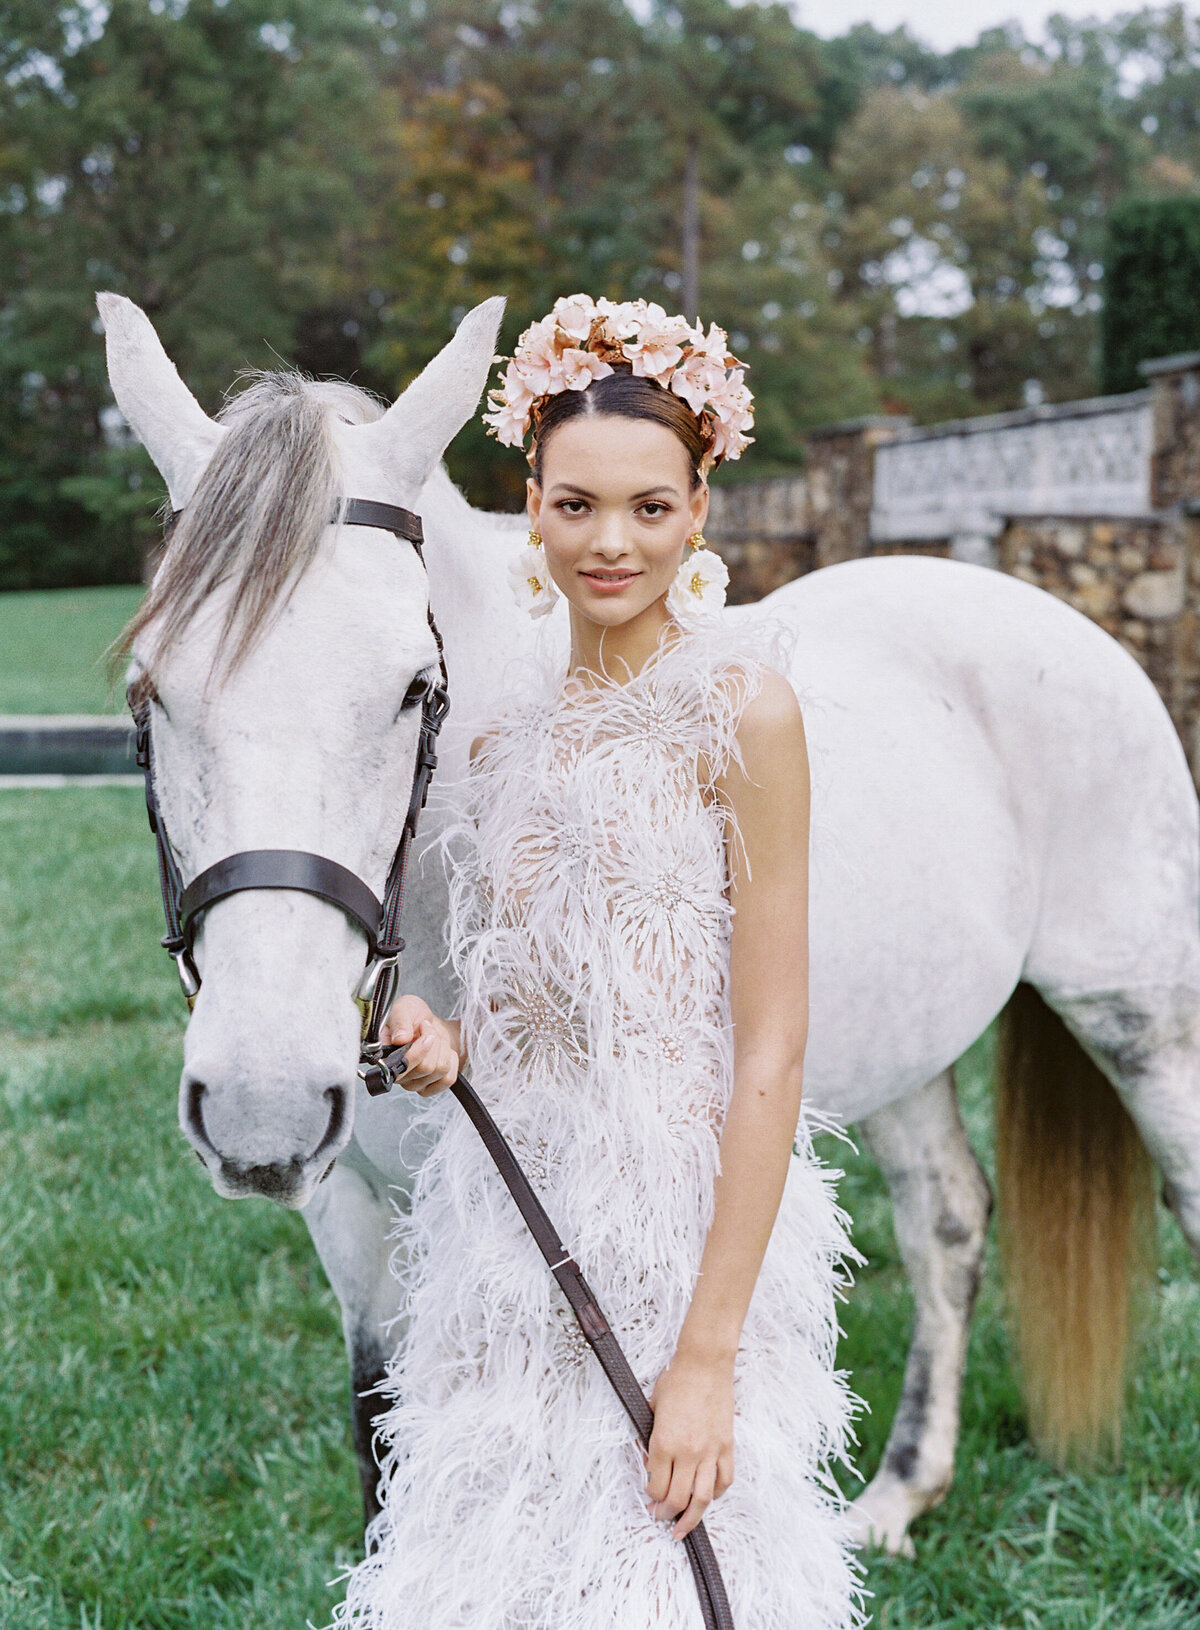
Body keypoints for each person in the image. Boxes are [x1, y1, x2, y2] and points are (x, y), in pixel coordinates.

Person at [325, 296, 866, 1630]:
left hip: (683, 1221)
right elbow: (518, 1002)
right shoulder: (499, 734)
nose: (609, 542)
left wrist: (704, 1355)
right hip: (514, 1226)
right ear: (532, 508)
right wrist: (446, 1044)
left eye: (648, 507)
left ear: (699, 510)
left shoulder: (742, 709)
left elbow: (773, 1046)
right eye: (575, 506)